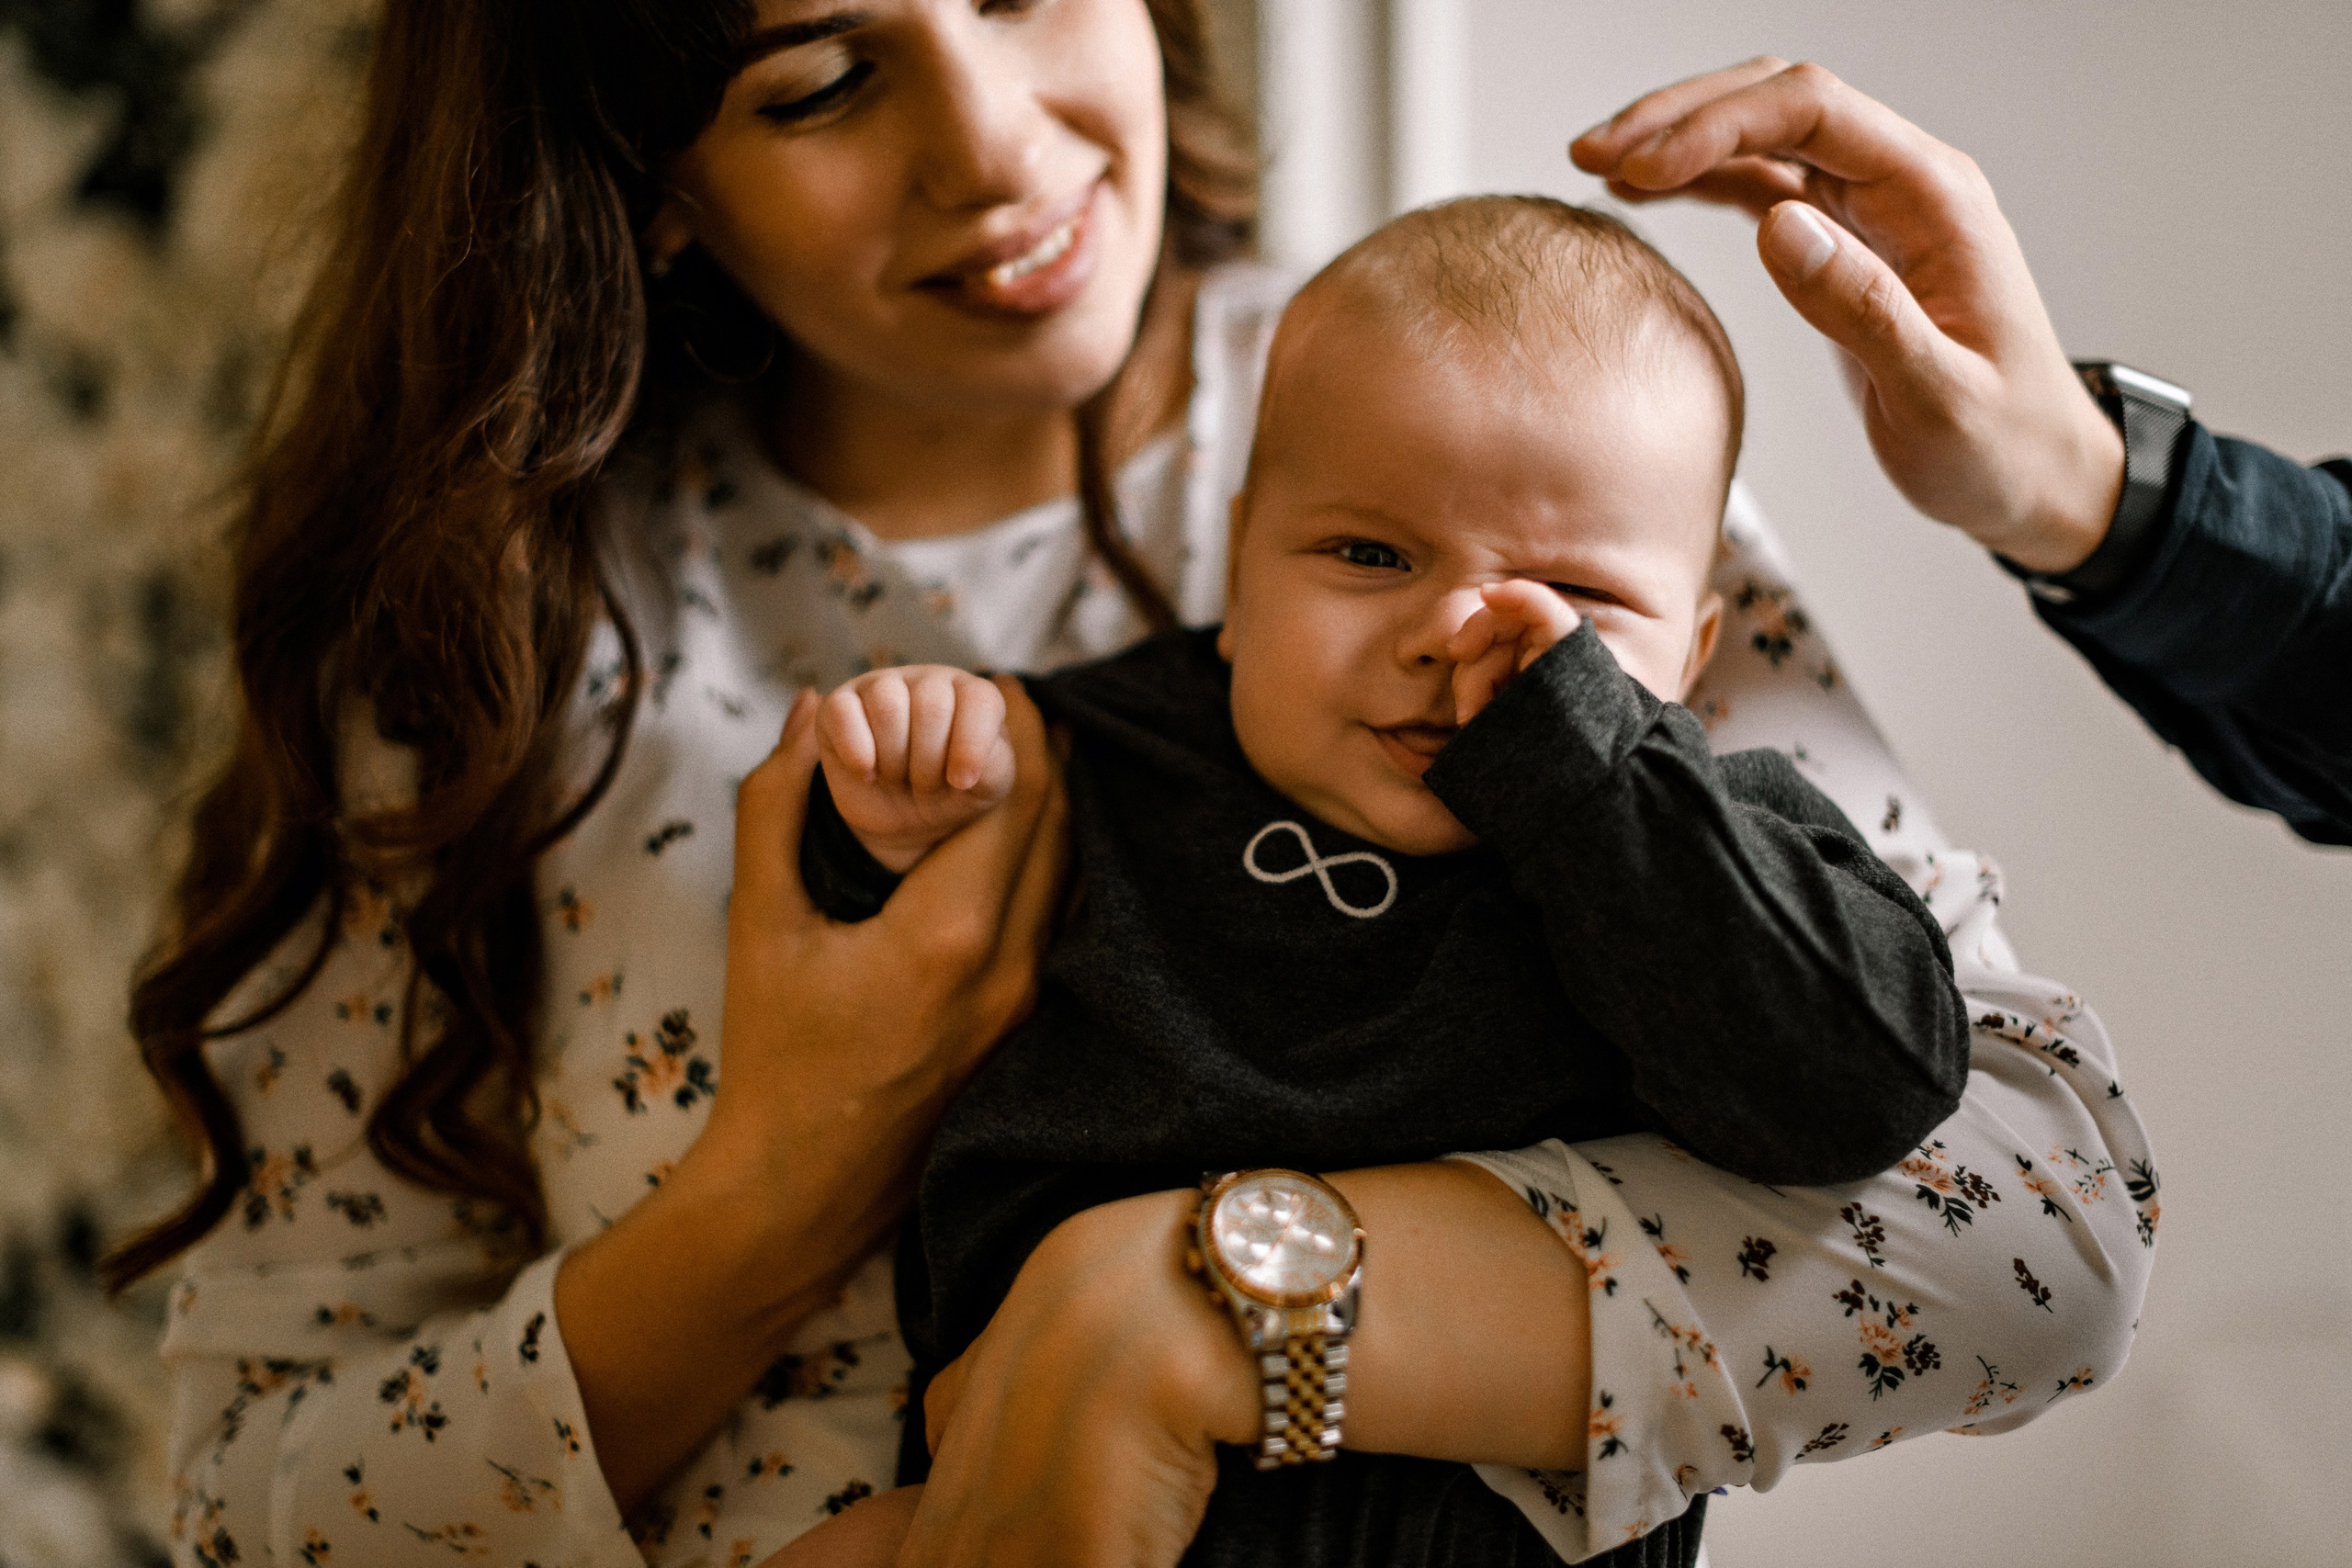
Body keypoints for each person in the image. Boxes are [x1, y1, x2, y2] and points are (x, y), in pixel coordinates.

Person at [109, 8, 2151, 1567]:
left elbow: (2028, 1214)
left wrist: (1187, 1309)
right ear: (647, 165)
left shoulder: (1509, 442)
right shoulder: (470, 652)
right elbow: (243, 1505)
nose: (992, 149)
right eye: (819, 79)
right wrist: (784, 1177)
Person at [800, 197, 1973, 1566]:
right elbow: (868, 959)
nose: (1454, 636)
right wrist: (888, 813)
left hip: (1462, 1518)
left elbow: (1869, 1079)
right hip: (1027, 1471)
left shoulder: (1697, 851)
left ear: (1694, 657)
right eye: (1371, 555)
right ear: (1240, 570)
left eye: (1572, 605)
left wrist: (1587, 761)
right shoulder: (1107, 751)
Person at [1567, 56, 2352, 844]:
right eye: (1430, 556)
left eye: (1572, 586)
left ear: (1701, 646)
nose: (1471, 616)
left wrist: (2075, 484)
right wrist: (2090, 494)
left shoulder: (1798, 862)